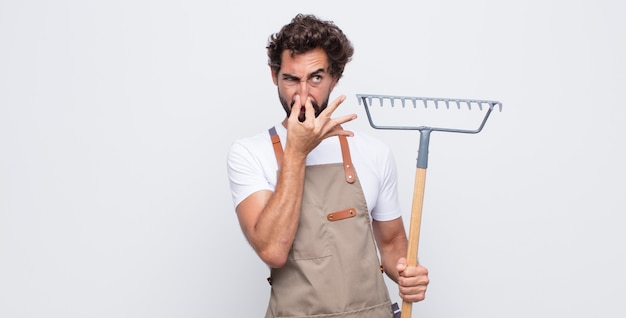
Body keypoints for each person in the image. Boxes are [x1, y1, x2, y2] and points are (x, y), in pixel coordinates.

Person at [227, 13, 429, 318]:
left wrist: (406, 273)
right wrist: (296, 152)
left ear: (335, 76)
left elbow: (391, 243)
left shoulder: (373, 152)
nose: (303, 94)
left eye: (316, 78)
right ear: (274, 75)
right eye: (291, 79)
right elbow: (272, 250)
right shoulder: (248, 154)